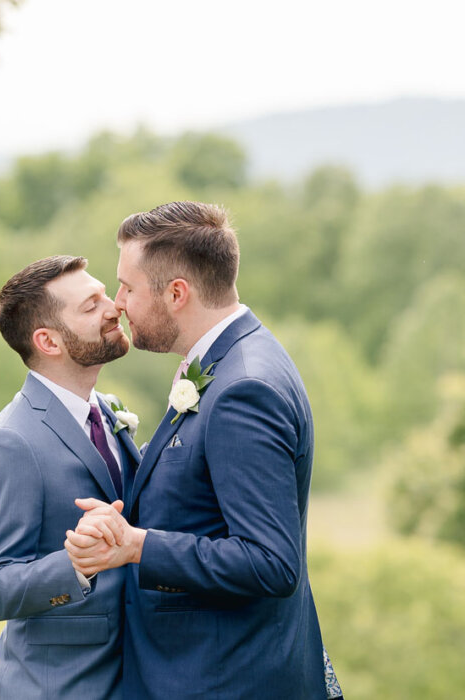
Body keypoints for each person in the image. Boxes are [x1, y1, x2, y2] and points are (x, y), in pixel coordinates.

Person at [64, 202, 343, 699]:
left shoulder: (243, 389)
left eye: (128, 286)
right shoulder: (228, 358)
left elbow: (270, 563)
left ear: (177, 293)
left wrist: (137, 545)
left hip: (227, 679)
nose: (119, 303)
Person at [0, 255, 141, 699]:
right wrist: (76, 564)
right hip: (58, 687)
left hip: (131, 677)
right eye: (90, 306)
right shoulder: (9, 443)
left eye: (105, 294)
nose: (113, 308)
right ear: (48, 341)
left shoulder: (108, 409)